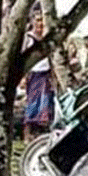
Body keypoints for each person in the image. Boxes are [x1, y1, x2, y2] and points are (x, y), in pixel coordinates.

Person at [21, 8, 54, 142]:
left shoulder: (47, 38)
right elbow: (23, 57)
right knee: (32, 103)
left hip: (45, 74)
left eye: (42, 20)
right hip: (33, 74)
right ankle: (27, 133)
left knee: (44, 105)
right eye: (38, 20)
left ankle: (39, 136)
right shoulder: (28, 38)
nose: (40, 23)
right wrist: (23, 77)